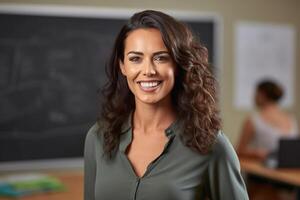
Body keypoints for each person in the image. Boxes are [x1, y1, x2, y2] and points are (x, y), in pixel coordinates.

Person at [84, 10, 248, 200]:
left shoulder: (211, 145)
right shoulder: (98, 137)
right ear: (123, 65)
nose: (148, 71)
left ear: (178, 65)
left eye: (161, 57)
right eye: (135, 58)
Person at [237, 80, 298, 160]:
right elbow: (239, 151)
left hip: (288, 170)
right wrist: (258, 154)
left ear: (262, 95)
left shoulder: (253, 120)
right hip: (263, 170)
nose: (253, 97)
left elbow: (238, 150)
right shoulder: (291, 119)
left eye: (256, 93)